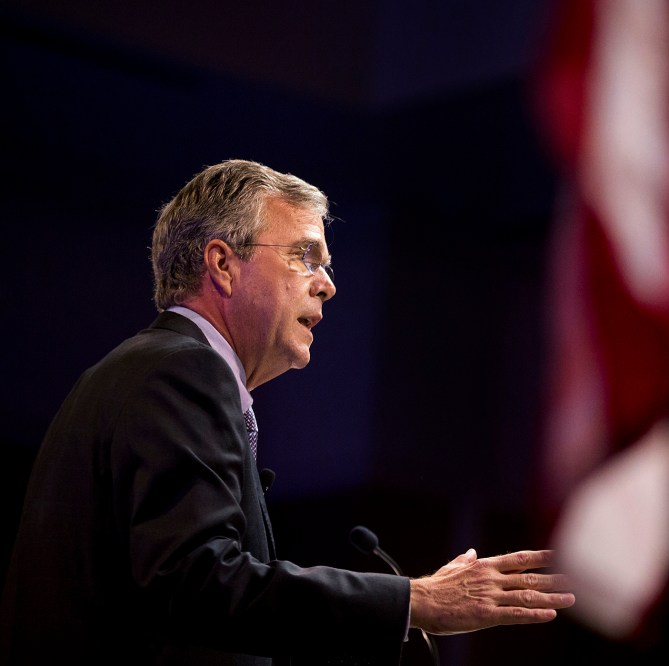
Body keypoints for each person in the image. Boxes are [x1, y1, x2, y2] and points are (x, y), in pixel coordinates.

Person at [0, 159, 574, 665]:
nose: (327, 285)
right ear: (223, 265)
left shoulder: (141, 371)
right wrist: (414, 600)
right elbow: (197, 581)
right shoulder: (178, 372)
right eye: (305, 256)